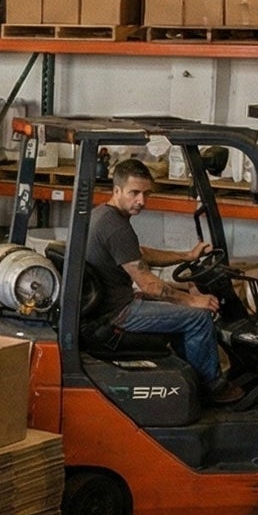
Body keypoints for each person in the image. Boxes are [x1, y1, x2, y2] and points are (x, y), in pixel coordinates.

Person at [88, 158, 244, 405]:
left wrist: (187, 255)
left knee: (183, 311)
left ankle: (190, 377)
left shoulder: (104, 216)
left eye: (146, 193)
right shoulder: (116, 227)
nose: (142, 200)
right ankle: (211, 388)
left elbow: (140, 254)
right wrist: (192, 300)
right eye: (135, 193)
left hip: (111, 304)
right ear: (116, 190)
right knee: (199, 318)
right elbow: (149, 284)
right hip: (118, 313)